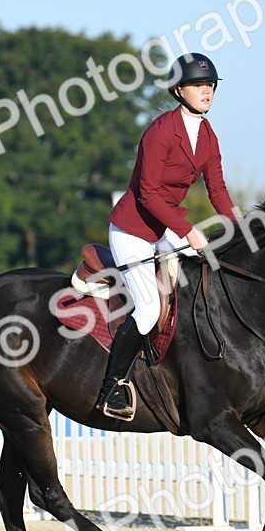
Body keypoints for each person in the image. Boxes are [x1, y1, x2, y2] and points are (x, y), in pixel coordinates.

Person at [93, 53, 240, 420]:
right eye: (198, 85)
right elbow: (147, 194)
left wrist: (241, 230)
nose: (206, 91)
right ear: (178, 90)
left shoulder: (207, 135)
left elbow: (217, 190)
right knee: (147, 309)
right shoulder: (161, 131)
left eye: (210, 85)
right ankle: (113, 387)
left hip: (164, 228)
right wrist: (188, 231)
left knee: (201, 281)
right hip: (132, 231)